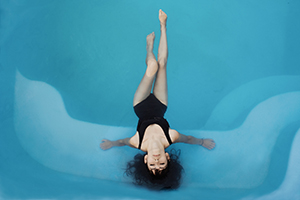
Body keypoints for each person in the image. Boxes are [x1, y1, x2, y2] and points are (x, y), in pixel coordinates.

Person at [100, 9, 215, 190]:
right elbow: (189, 139)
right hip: (160, 106)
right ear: (167, 158)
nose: (156, 162)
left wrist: (111, 144)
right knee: (162, 64)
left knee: (152, 66)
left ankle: (148, 49)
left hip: (140, 104)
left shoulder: (138, 142)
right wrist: (202, 142)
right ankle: (163, 26)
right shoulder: (171, 137)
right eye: (161, 164)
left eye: (152, 165)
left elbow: (122, 141)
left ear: (145, 160)